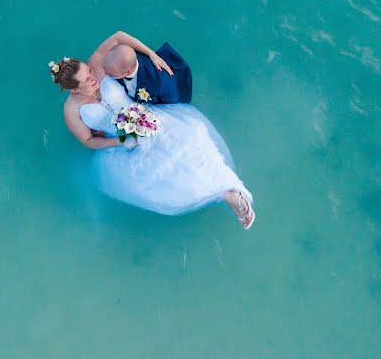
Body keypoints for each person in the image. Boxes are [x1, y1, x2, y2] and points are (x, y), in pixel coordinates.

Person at [49, 36, 254, 228]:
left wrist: (151, 54)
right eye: (86, 80)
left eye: (89, 72)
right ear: (74, 90)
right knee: (161, 178)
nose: (93, 77)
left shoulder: (96, 65)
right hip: (122, 144)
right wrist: (119, 142)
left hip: (149, 117)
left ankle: (230, 189)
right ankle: (225, 194)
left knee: (191, 143)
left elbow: (119, 36)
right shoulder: (71, 111)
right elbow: (87, 140)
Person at [104, 42, 193, 104]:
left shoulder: (160, 81)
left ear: (128, 72)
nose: (108, 74)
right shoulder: (117, 62)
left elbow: (172, 101)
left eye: (113, 74)